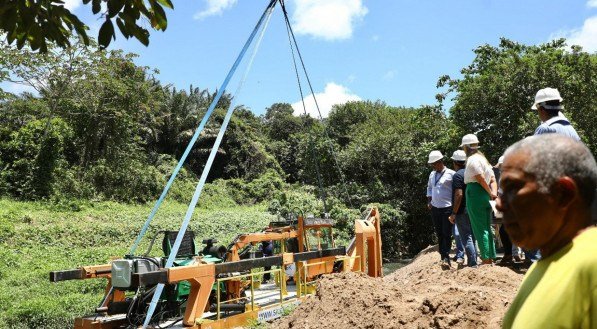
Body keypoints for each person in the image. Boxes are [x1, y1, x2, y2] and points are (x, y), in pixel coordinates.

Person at [498, 135, 597, 329]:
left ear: (563, 193)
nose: (500, 204)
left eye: (513, 188)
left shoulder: (592, 264)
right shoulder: (539, 266)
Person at [460, 134, 498, 265]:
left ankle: (486, 259)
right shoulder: (484, 159)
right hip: (485, 194)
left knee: (479, 228)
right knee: (487, 226)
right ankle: (491, 257)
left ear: (466, 147)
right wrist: (493, 193)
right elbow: (492, 179)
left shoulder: (472, 160)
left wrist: (488, 192)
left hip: (475, 193)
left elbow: (480, 177)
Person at [426, 150, 455, 269]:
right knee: (439, 233)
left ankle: (446, 257)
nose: (433, 166)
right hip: (435, 208)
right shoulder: (432, 174)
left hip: (447, 207)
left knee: (446, 233)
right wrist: (429, 201)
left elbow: (457, 191)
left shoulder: (451, 174)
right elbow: (429, 188)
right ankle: (442, 255)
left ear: (440, 161)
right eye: (432, 164)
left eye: (434, 163)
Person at [448, 150, 477, 267]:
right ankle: (474, 262)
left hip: (462, 211)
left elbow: (459, 195)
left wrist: (454, 212)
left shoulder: (457, 175)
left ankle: (473, 264)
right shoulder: (471, 173)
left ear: (455, 162)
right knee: (473, 237)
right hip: (472, 209)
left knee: (466, 237)